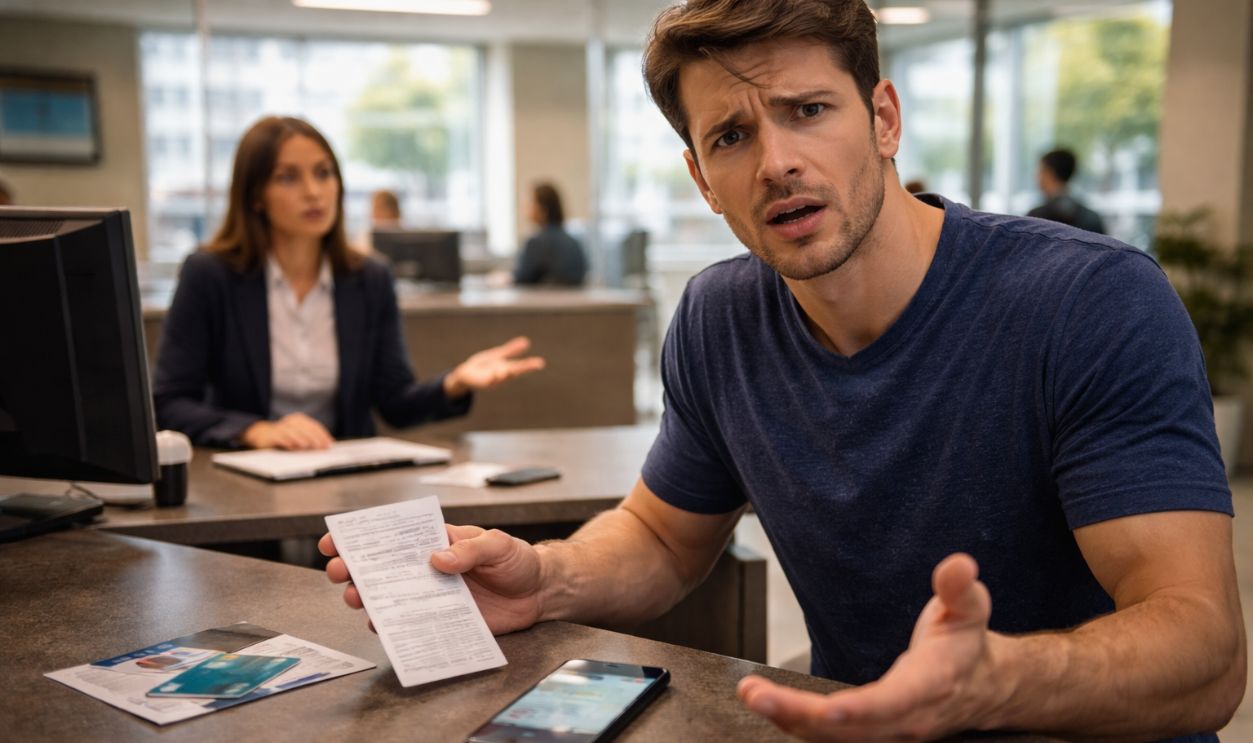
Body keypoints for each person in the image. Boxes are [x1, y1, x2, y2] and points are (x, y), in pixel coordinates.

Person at [321, 2, 1245, 740]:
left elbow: (1202, 650)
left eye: (807, 110)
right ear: (699, 178)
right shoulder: (718, 318)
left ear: (881, 118)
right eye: (730, 136)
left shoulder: (1088, 301)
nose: (777, 162)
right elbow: (662, 536)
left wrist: (995, 680)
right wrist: (547, 577)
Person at [154, 116, 544, 450]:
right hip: (242, 482)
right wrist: (255, 431)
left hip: (343, 479)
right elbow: (168, 401)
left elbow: (394, 402)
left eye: (324, 173)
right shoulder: (210, 275)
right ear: (255, 195)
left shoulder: (369, 278)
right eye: (288, 177)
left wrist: (455, 383)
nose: (313, 192)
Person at [512, 182, 588, 286]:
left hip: (544, 301)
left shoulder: (536, 242)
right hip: (575, 301)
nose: (525, 207)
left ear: (543, 209)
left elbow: (521, 278)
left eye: (530, 202)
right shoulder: (574, 242)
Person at [1028, 148, 1106, 234]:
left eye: (1040, 171)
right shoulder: (1092, 218)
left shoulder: (1035, 218)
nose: (1036, 178)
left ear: (1048, 173)